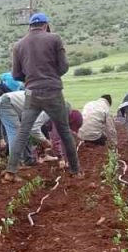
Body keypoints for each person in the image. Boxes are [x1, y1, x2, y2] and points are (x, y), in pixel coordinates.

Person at [5, 13, 79, 180]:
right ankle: (75, 171)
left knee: (23, 131)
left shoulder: (18, 45)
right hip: (53, 90)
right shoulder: (54, 39)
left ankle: (11, 171)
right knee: (64, 131)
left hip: (31, 92)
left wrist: (31, 79)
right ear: (45, 25)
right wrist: (52, 75)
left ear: (30, 27)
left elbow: (16, 74)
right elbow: (64, 67)